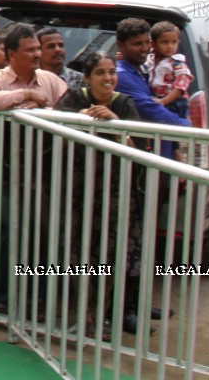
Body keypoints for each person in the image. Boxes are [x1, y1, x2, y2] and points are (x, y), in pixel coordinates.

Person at [56, 51, 144, 334]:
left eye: (111, 72)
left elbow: (139, 147)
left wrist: (115, 123)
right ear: (87, 77)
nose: (108, 78)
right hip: (78, 190)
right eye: (100, 73)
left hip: (115, 193)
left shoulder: (125, 103)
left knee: (109, 254)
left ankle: (101, 313)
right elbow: (53, 123)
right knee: (77, 252)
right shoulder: (73, 99)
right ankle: (82, 312)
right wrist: (81, 118)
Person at [113, 18, 191, 158]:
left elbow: (182, 82)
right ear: (120, 46)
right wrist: (188, 127)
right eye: (137, 44)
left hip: (160, 142)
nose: (144, 48)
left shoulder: (143, 67)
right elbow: (151, 109)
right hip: (140, 152)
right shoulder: (121, 74)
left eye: (146, 42)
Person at [146, 21, 193, 117]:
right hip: (158, 100)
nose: (170, 46)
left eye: (174, 42)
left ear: (178, 43)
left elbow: (180, 87)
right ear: (153, 44)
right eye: (164, 42)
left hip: (175, 103)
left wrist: (163, 101)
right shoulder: (151, 60)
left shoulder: (177, 63)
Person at [37, 27, 83, 93]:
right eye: (51, 46)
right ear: (39, 51)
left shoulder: (79, 80)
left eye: (61, 45)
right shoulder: (30, 78)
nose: (58, 50)